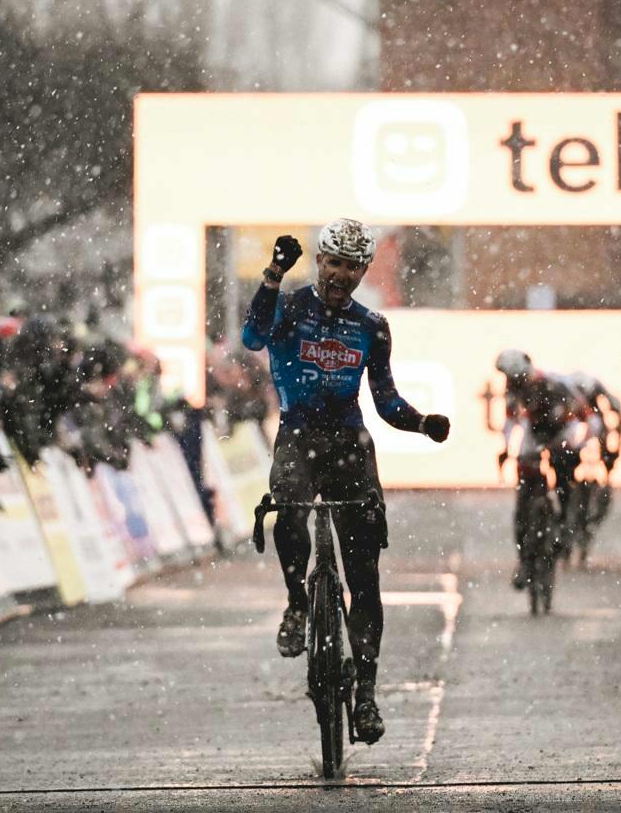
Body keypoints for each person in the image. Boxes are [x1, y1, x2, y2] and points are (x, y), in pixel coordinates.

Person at [241, 218, 450, 746]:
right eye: (333, 263)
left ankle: (365, 696)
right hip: (298, 438)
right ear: (320, 261)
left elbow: (386, 401)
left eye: (353, 267)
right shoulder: (290, 307)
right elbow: (251, 336)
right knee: (288, 508)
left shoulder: (372, 325)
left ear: (363, 269)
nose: (341, 275)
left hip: (349, 444)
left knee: (365, 577)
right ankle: (296, 602)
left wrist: (422, 422)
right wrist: (271, 277)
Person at [495, 349, 591, 588]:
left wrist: (582, 444)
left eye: (515, 379)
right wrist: (507, 450)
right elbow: (511, 422)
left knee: (563, 473)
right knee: (524, 492)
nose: (513, 384)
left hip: (563, 430)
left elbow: (586, 416)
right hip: (536, 433)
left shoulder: (556, 383)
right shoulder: (513, 388)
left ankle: (564, 524)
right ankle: (524, 561)